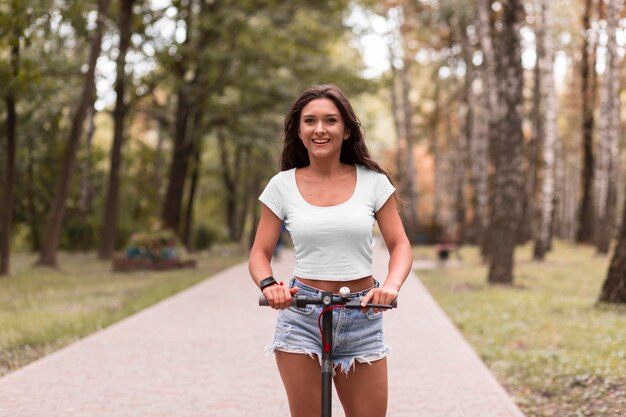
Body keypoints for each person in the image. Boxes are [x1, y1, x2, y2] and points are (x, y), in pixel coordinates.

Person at [249, 84, 413, 417]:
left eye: (330, 120)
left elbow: (400, 246)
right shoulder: (282, 185)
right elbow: (258, 254)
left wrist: (390, 287)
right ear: (299, 129)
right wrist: (270, 286)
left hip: (363, 313)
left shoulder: (373, 182)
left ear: (346, 129)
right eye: (310, 121)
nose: (320, 129)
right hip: (302, 314)